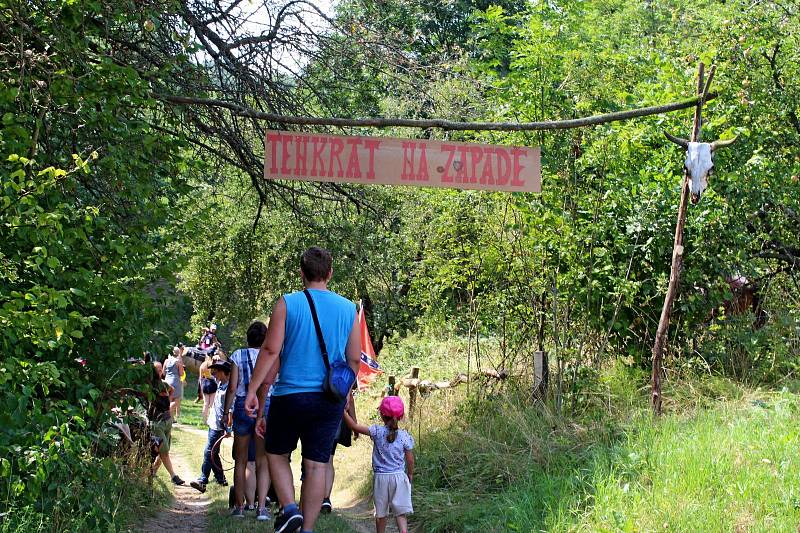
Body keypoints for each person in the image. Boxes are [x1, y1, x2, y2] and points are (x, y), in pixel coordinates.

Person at [245, 246, 360, 533]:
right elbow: (355, 360)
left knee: (275, 452)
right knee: (317, 466)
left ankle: (290, 508)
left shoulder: (287, 304)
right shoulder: (348, 309)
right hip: (328, 398)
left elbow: (271, 350)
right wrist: (344, 394)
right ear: (330, 273)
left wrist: (252, 390)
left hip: (290, 396)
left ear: (301, 273)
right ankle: (306, 529)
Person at [343, 396, 414, 533]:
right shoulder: (405, 436)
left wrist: (343, 412)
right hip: (399, 477)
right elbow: (410, 460)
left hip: (381, 478)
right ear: (401, 416)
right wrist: (410, 474)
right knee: (400, 513)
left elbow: (354, 426)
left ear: (382, 415)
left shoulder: (376, 431)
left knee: (381, 514)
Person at [226, 322, 273, 522]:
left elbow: (232, 387)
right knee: (263, 460)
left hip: (242, 406)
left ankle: (239, 507)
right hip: (267, 406)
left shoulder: (238, 355)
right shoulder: (271, 355)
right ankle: (262, 508)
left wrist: (225, 412)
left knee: (241, 459)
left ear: (248, 337)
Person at [190, 358, 231, 493]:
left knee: (209, 451)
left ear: (224, 373)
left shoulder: (229, 390)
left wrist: (228, 428)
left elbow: (231, 411)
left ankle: (203, 480)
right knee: (214, 453)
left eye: (216, 371)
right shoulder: (220, 384)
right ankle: (221, 479)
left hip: (219, 426)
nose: (213, 373)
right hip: (213, 423)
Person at [148, 361, 186, 486]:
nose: (160, 372)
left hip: (167, 420)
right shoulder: (149, 387)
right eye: (157, 370)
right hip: (156, 422)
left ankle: (152, 472)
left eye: (160, 370)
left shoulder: (163, 384)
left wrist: (168, 403)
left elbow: (172, 389)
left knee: (164, 450)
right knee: (163, 450)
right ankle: (174, 476)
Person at [163, 346, 184, 422]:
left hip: (167, 381)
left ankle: (171, 418)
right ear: (178, 353)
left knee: (169, 399)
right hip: (175, 381)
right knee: (177, 399)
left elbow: (163, 372)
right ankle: (168, 412)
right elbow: (181, 374)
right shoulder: (178, 362)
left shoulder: (166, 361)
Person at [198, 355, 218, 423]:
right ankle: (211, 420)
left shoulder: (202, 365)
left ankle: (204, 420)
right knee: (212, 404)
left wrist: (201, 388)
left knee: (206, 403)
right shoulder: (213, 364)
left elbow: (200, 378)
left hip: (205, 383)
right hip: (212, 383)